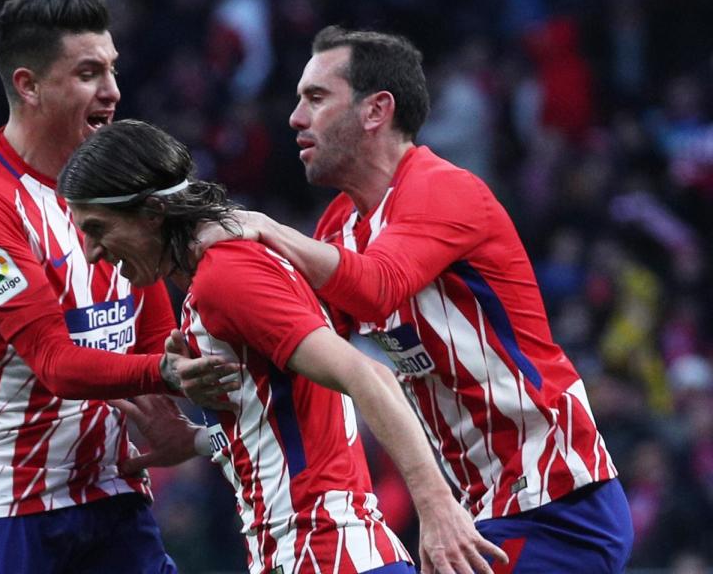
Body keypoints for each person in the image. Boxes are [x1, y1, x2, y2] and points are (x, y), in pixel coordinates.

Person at [197, 26, 634, 573]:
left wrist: (268, 229)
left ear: (376, 110)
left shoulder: (443, 189)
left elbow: (377, 286)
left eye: (316, 97)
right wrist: (185, 371)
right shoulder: (341, 225)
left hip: (557, 500)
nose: (295, 117)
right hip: (480, 510)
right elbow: (302, 339)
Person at [58, 119, 507, 574]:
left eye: (98, 228)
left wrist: (436, 507)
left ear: (152, 212)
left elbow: (368, 375)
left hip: (325, 556)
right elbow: (290, 417)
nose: (93, 251)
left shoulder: (227, 277)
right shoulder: (217, 274)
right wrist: (196, 440)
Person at [0, 0, 234, 572]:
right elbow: (55, 363)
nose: (113, 89)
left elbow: (155, 335)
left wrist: (185, 415)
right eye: (89, 73)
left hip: (112, 490)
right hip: (3, 503)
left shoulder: (117, 183)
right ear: (29, 85)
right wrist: (166, 374)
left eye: (112, 69)